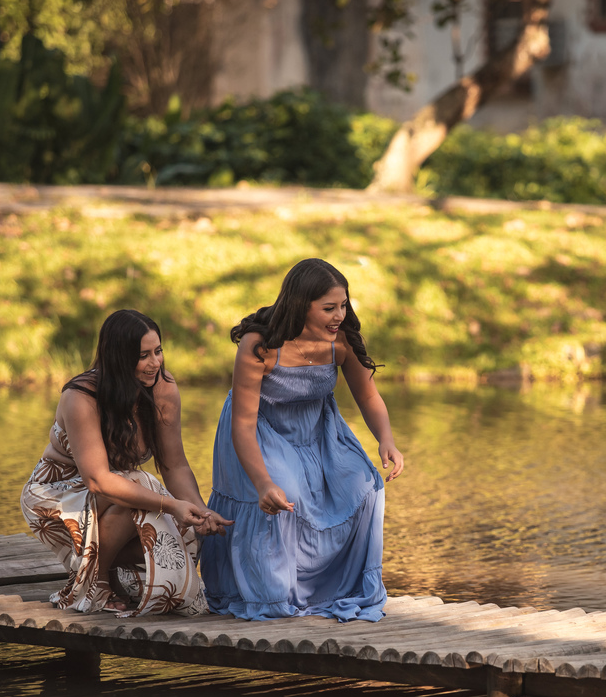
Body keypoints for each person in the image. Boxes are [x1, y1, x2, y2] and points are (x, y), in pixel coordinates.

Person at [200, 258, 403, 621]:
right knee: (284, 491)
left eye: (343, 305)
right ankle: (273, 591)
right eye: (329, 308)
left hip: (317, 432)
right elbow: (243, 425)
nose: (339, 315)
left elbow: (368, 395)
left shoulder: (341, 341)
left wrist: (386, 439)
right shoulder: (260, 345)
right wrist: (263, 483)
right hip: (259, 431)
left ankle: (339, 588)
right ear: (300, 305)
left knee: (365, 484)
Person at [21, 309, 230, 616]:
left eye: (158, 351)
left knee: (180, 526)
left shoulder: (162, 388)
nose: (155, 363)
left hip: (115, 491)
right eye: (143, 356)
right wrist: (171, 505)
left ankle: (103, 569)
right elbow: (98, 480)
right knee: (141, 485)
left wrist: (200, 511)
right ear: (118, 357)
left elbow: (174, 465)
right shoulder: (81, 398)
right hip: (58, 495)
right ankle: (96, 580)